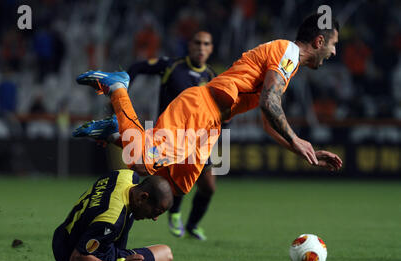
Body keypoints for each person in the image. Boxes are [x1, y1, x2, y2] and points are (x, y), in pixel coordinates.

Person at [73, 13, 343, 201]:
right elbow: (269, 102)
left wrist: (301, 150)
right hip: (200, 107)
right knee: (143, 162)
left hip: (210, 124)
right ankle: (118, 87)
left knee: (175, 185)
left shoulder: (288, 64)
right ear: (319, 42)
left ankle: (114, 133)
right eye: (333, 45)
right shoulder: (287, 52)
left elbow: (267, 120)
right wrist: (297, 139)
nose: (334, 53)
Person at [126, 31, 216, 240]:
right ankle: (170, 214)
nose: (201, 47)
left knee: (209, 187)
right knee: (156, 178)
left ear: (211, 49)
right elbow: (138, 67)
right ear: (189, 45)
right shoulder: (172, 66)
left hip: (199, 140)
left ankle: (192, 225)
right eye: (197, 42)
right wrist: (124, 87)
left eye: (206, 44)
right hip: (169, 138)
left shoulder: (211, 76)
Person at [52, 169, 174, 261]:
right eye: (156, 212)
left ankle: (119, 255)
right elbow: (77, 259)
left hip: (63, 235)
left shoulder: (126, 175)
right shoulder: (111, 221)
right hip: (76, 260)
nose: (155, 218)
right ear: (143, 197)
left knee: (129, 212)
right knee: (165, 254)